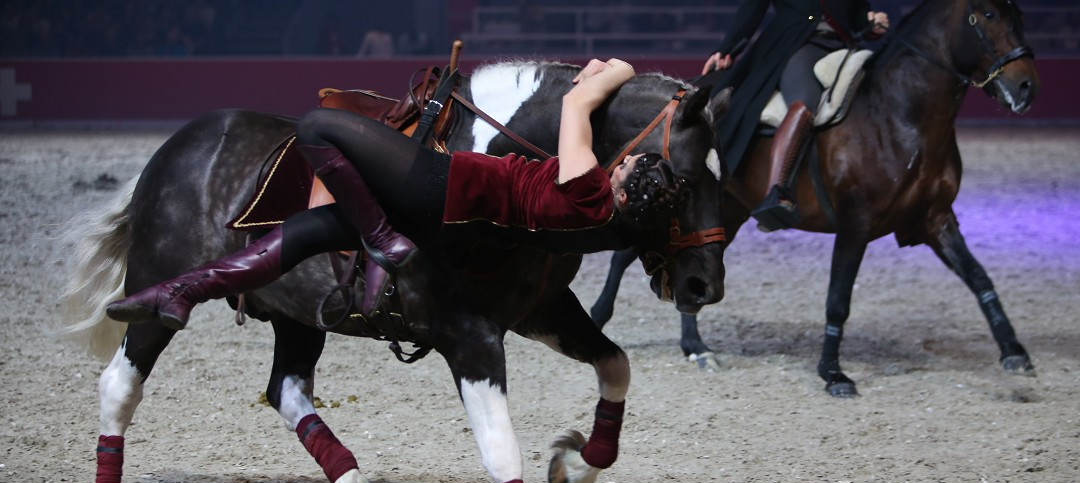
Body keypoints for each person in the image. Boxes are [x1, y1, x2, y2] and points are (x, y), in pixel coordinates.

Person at [107, 58, 688, 327]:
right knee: (309, 231)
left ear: (620, 182)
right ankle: (182, 291)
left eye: (629, 162)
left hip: (442, 185)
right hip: (451, 218)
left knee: (314, 126)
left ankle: (380, 239)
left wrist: (607, 76)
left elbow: (583, 95)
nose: (625, 156)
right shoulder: (591, 214)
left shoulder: (584, 184)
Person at [699, 0, 889, 231]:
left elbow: (856, 17)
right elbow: (753, 7)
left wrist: (872, 24)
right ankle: (776, 192)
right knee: (804, 105)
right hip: (797, 45)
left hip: (843, 49)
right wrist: (728, 48)